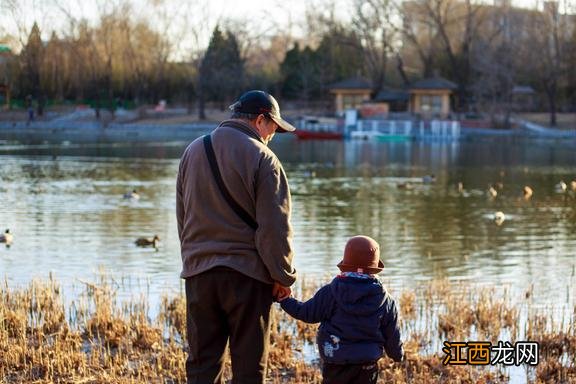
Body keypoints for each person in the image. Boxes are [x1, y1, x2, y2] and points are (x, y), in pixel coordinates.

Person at [176, 90, 298, 384]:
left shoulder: (192, 151)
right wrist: (283, 276)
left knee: (202, 367)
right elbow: (274, 229)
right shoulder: (264, 159)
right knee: (249, 369)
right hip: (247, 278)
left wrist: (194, 260)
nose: (273, 136)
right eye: (274, 129)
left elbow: (183, 217)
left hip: (199, 275)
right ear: (260, 120)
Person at [278, 235, 404, 384]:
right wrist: (397, 355)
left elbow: (306, 313)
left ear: (345, 263)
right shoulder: (386, 301)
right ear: (374, 269)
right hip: (367, 365)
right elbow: (392, 334)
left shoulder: (330, 292)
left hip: (335, 361)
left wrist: (285, 300)